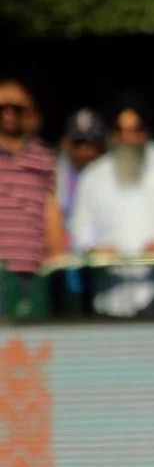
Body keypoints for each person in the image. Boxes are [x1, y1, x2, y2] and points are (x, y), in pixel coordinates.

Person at [69, 106, 154, 317]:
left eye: (135, 130)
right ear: (113, 135)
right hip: (113, 297)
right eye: (121, 131)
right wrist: (96, 251)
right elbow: (81, 232)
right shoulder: (93, 175)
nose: (129, 138)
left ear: (146, 132)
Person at [0, 78, 64, 316]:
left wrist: (57, 262)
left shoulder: (44, 157)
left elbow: (51, 211)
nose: (8, 115)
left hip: (34, 274)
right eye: (2, 108)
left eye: (16, 108)